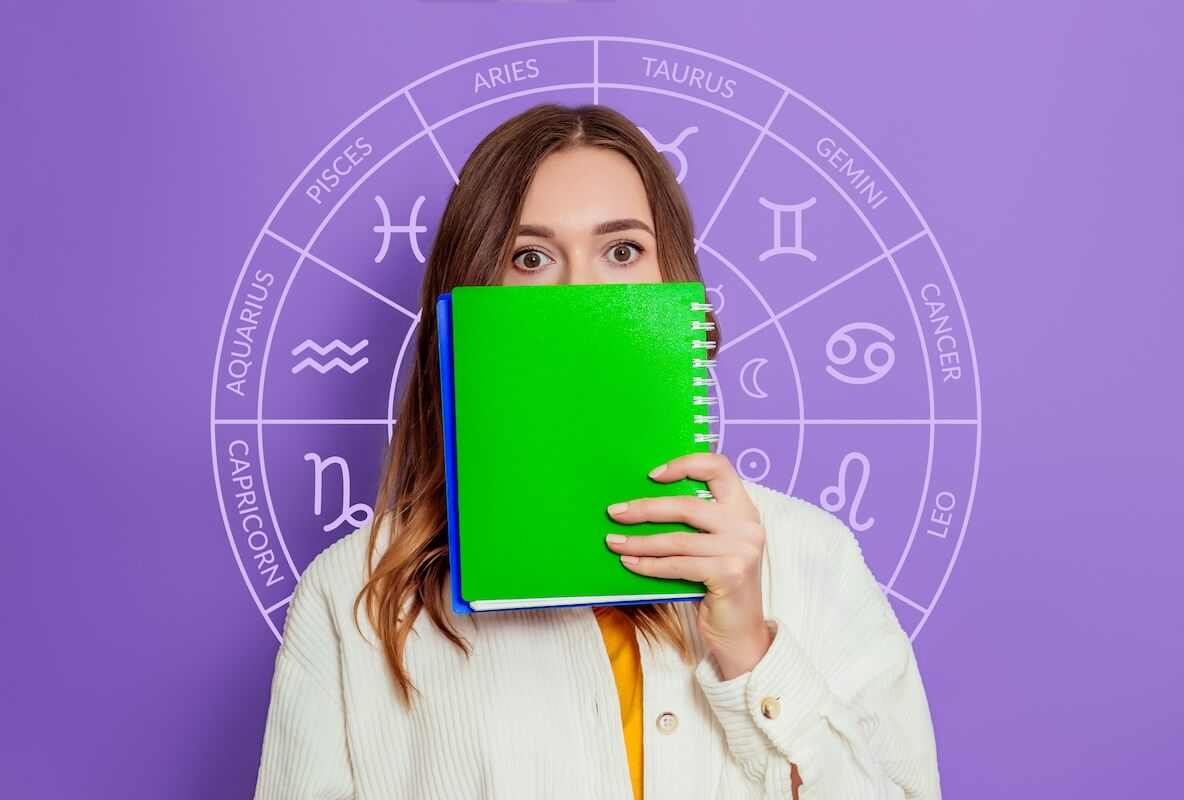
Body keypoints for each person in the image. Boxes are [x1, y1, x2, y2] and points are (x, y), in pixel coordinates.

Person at [253, 103, 942, 799]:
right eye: (530, 258)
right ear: (468, 299)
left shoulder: (811, 557)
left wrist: (751, 650)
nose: (580, 292)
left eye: (622, 251)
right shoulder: (352, 600)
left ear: (679, 284)